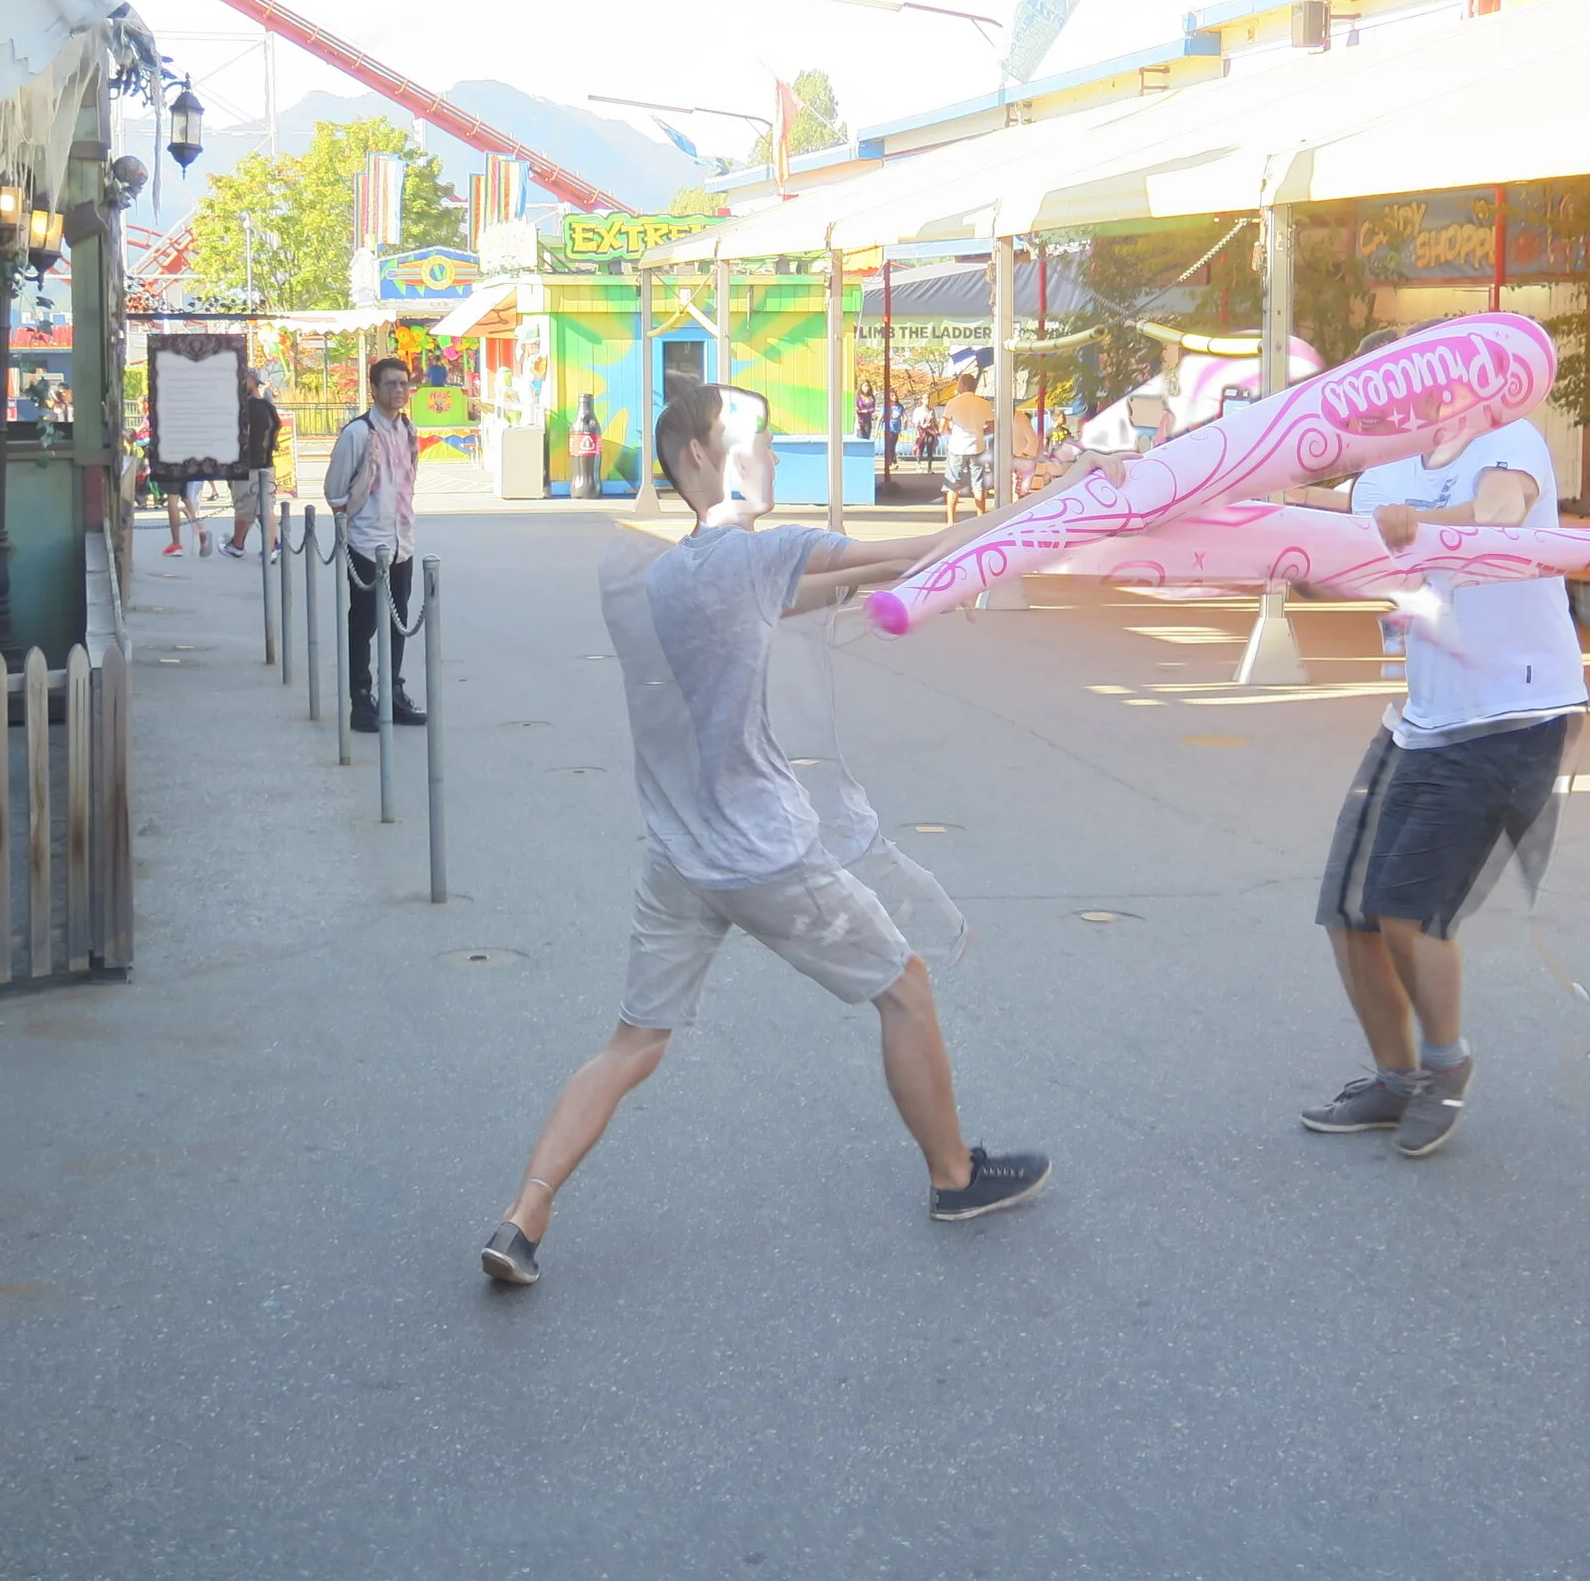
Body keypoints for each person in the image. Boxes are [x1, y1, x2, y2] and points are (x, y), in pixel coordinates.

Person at [477, 383, 1127, 1286]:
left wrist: (881, 577)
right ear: (700, 457)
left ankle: (523, 1217)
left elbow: (837, 584)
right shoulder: (755, 554)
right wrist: (1074, 489)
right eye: (758, 438)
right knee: (904, 985)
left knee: (634, 1041)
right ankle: (955, 1175)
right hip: (763, 854)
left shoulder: (673, 573)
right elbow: (943, 543)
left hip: (680, 854)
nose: (776, 454)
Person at [1301, 324, 1589, 1161]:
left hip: (1511, 716)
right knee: (1350, 912)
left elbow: (1501, 513)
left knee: (1406, 909)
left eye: (1409, 380)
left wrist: (1417, 527)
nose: (1396, 397)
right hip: (1423, 716)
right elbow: (1322, 523)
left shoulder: (1508, 437)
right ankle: (1395, 1080)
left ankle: (1444, 1065)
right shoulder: (1385, 469)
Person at [324, 356, 424, 732]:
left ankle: (393, 693)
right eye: (391, 384)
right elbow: (335, 490)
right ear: (375, 389)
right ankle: (361, 700)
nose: (399, 391)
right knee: (363, 624)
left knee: (398, 624)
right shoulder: (358, 433)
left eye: (404, 384)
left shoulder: (408, 429)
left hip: (402, 544)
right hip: (367, 544)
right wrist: (349, 527)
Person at [222, 370, 282, 559]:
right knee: (265, 508)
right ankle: (270, 546)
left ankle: (238, 544)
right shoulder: (267, 406)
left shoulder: (245, 407)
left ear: (252, 382)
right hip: (267, 463)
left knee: (244, 507)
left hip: (248, 465)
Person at [939, 372, 993, 521]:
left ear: (962, 385)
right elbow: (992, 426)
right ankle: (980, 518)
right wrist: (980, 433)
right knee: (978, 484)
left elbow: (942, 427)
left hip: (956, 447)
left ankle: (951, 520)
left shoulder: (953, 403)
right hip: (977, 446)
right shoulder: (984, 403)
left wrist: (950, 432)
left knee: (952, 485)